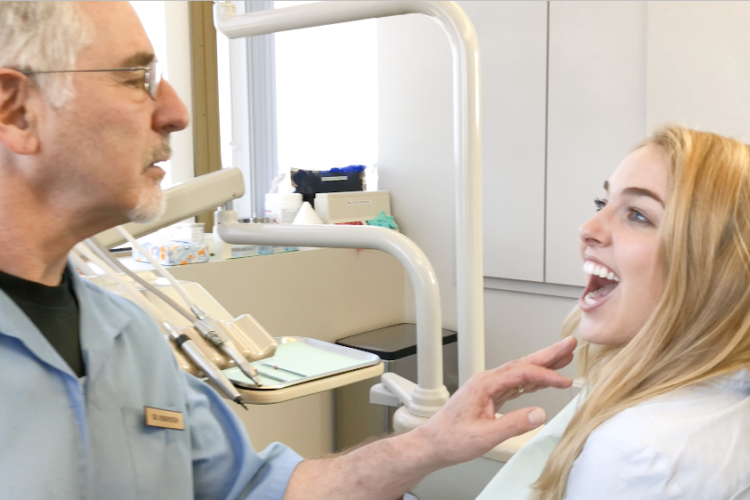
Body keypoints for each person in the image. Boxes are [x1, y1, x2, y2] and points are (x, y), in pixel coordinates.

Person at [0, 3, 577, 499]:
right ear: (16, 111)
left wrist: (432, 442)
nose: (175, 111)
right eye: (134, 79)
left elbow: (263, 488)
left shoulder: (130, 338)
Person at [478, 124, 750, 500]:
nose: (588, 228)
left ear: (717, 270)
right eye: (601, 204)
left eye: (638, 214)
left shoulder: (637, 450)